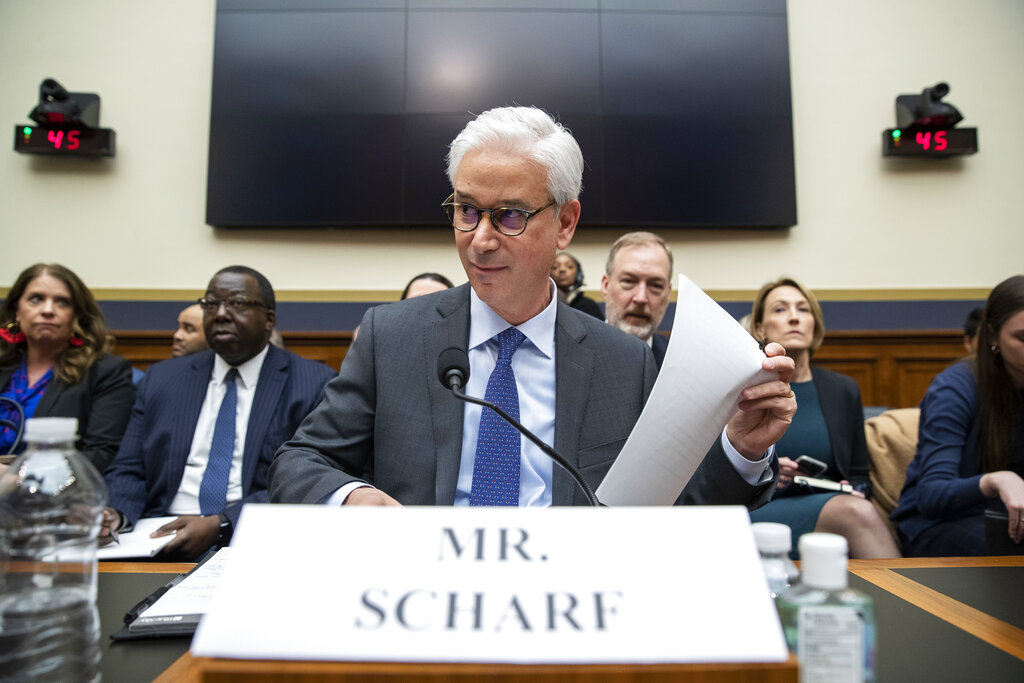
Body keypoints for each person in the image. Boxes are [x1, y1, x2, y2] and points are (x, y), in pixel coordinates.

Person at [269, 106, 795, 509]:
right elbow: (300, 462)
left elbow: (669, 508)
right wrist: (352, 497)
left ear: (565, 223)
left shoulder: (622, 362)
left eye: (510, 216)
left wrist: (742, 451)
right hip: (423, 598)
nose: (480, 240)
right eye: (466, 211)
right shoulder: (394, 336)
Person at [100, 266, 335, 560]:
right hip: (159, 537)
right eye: (211, 304)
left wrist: (223, 523)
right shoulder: (162, 379)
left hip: (254, 540)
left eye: (237, 303)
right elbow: (129, 468)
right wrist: (115, 514)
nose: (221, 313)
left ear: (269, 319)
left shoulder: (312, 383)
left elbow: (309, 479)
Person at [745, 278, 901, 558]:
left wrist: (849, 488)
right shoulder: (745, 388)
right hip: (760, 509)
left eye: (803, 310)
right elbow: (718, 469)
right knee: (855, 513)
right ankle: (908, 600)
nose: (794, 316)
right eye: (780, 310)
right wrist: (768, 472)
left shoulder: (843, 390)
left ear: (813, 323)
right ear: (760, 327)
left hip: (832, 504)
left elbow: (859, 475)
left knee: (854, 507)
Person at [892, 275, 1024, 556]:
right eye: (1022, 338)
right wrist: (995, 480)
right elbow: (932, 495)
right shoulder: (955, 387)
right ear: (992, 336)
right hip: (939, 524)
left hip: (1008, 521)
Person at [0, 263, 134, 471]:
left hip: (54, 494)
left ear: (77, 316)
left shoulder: (106, 372)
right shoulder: (5, 364)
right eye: (36, 299)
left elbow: (102, 454)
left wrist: (16, 475)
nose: (47, 310)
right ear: (17, 312)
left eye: (62, 302)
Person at [601, 232, 674, 368]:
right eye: (628, 281)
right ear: (606, 286)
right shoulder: (568, 355)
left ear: (668, 294)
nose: (641, 298)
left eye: (656, 285)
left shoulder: (680, 364)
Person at [551, 252, 603, 320]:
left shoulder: (588, 306)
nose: (562, 270)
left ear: (578, 274)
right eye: (555, 267)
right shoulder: (543, 306)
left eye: (569, 266)